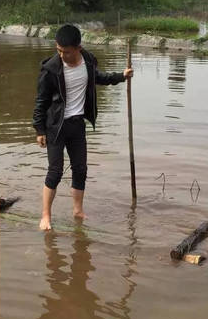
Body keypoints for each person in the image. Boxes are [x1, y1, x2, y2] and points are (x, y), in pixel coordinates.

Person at [33, 24, 133, 230]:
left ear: (78, 48)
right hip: (56, 127)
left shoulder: (88, 61)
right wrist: (40, 130)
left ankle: (77, 210)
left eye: (66, 52)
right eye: (59, 51)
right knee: (55, 171)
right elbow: (41, 102)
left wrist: (121, 76)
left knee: (80, 169)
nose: (62, 55)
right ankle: (45, 216)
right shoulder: (50, 70)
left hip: (77, 125)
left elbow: (99, 77)